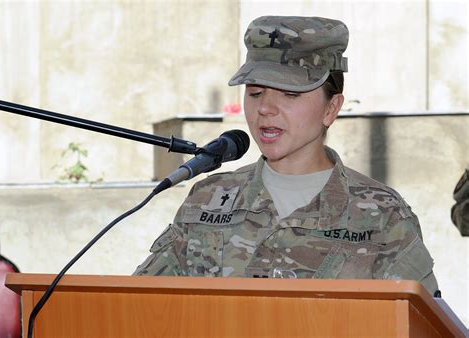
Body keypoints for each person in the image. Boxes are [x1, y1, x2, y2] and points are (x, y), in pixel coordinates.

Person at [134, 16, 439, 295]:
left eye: (289, 94)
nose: (265, 108)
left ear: (331, 108)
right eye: (255, 93)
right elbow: (140, 304)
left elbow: (418, 323)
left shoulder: (383, 215)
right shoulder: (207, 200)